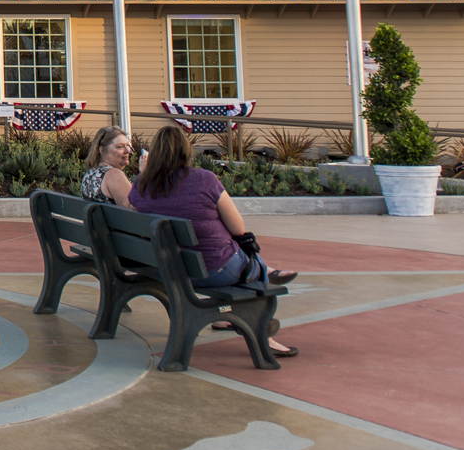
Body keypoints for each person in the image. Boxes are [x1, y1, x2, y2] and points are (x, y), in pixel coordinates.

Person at [130, 124, 300, 358]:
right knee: (252, 263)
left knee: (247, 263)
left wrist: (143, 173)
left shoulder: (140, 185)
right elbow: (238, 227)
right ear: (185, 150)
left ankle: (228, 317)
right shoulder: (205, 180)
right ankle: (263, 333)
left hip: (167, 269)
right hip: (214, 270)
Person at [80, 126, 134, 206]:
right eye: (120, 147)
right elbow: (134, 207)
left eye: (127, 145)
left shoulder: (90, 174)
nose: (128, 151)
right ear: (103, 150)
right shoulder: (114, 174)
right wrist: (145, 174)